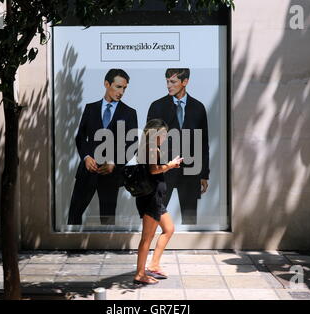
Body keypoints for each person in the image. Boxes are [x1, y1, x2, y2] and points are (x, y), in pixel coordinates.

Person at [68, 69, 138, 225]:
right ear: (107, 84)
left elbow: (132, 145)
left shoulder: (129, 113)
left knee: (107, 220)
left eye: (124, 88)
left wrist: (114, 162)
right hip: (87, 172)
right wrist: (86, 157)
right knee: (74, 216)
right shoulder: (90, 108)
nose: (121, 92)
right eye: (118, 86)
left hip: (111, 175)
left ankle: (106, 249)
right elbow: (80, 137)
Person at [147, 68, 210, 225]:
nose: (169, 85)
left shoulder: (198, 107)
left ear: (185, 82)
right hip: (164, 170)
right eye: (167, 81)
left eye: (173, 82)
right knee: (156, 214)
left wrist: (204, 174)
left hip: (191, 170)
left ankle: (188, 246)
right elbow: (149, 141)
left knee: (190, 218)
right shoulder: (157, 106)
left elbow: (203, 143)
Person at [133, 119, 183, 285]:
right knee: (147, 238)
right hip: (151, 199)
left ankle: (153, 265)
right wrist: (170, 165)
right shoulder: (151, 147)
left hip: (155, 198)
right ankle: (140, 274)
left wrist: (169, 165)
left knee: (169, 229)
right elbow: (154, 170)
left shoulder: (147, 147)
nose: (165, 137)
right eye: (163, 134)